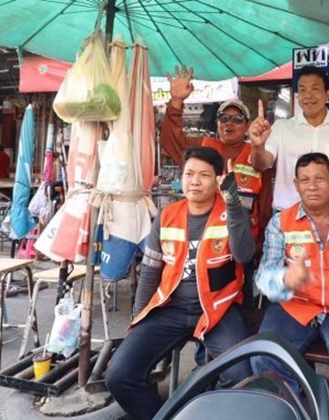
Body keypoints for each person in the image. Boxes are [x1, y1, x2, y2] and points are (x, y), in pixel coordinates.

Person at [106, 147, 254, 420]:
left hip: (217, 310)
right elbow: (150, 271)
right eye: (189, 174)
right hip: (169, 308)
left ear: (218, 180)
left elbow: (245, 255)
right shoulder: (167, 215)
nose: (195, 181)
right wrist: (138, 319)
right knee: (119, 375)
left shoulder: (233, 211)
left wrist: (233, 202)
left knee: (241, 377)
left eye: (204, 175)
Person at [252, 153, 329, 420]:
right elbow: (264, 275)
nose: (312, 186)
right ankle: (288, 414)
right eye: (305, 180)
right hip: (297, 306)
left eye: (320, 178)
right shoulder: (281, 222)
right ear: (296, 184)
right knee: (264, 356)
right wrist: (285, 279)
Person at [160, 65, 272, 246]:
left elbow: (265, 205)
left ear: (247, 126)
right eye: (223, 118)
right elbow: (170, 141)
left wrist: (260, 245)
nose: (229, 123)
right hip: (206, 240)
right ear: (217, 123)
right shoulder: (203, 147)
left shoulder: (258, 155)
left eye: (237, 119)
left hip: (244, 241)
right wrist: (176, 102)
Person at [249, 65, 329, 211]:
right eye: (303, 90)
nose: (308, 96)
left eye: (315, 88)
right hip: (287, 216)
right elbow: (261, 165)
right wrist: (258, 146)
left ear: (327, 94)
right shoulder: (281, 128)